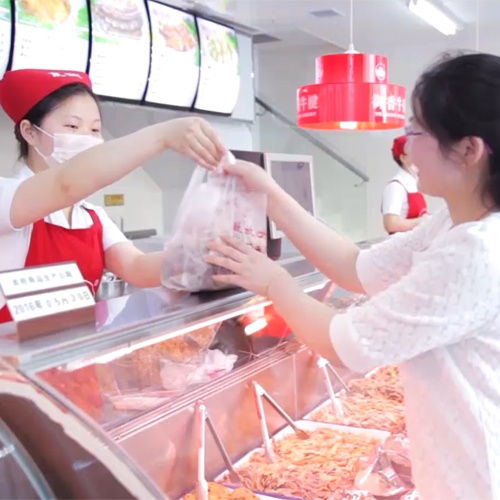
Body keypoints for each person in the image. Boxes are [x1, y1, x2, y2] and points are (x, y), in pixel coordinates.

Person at [205, 52, 500, 499]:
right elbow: (354, 267)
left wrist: (272, 282)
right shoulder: (453, 222)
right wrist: (269, 193)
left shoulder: (476, 250)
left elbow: (346, 346)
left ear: (468, 150)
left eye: (416, 130)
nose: (406, 147)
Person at [0, 69, 226, 322]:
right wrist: (162, 137)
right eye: (72, 126)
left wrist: (202, 256)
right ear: (29, 132)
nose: (87, 139)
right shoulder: (6, 197)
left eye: (95, 129)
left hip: (74, 346)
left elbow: (137, 267)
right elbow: (66, 184)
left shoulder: (92, 217)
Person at [381, 134, 427, 234]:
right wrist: (423, 221)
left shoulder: (415, 183)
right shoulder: (395, 186)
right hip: (401, 242)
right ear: (403, 158)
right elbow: (391, 224)